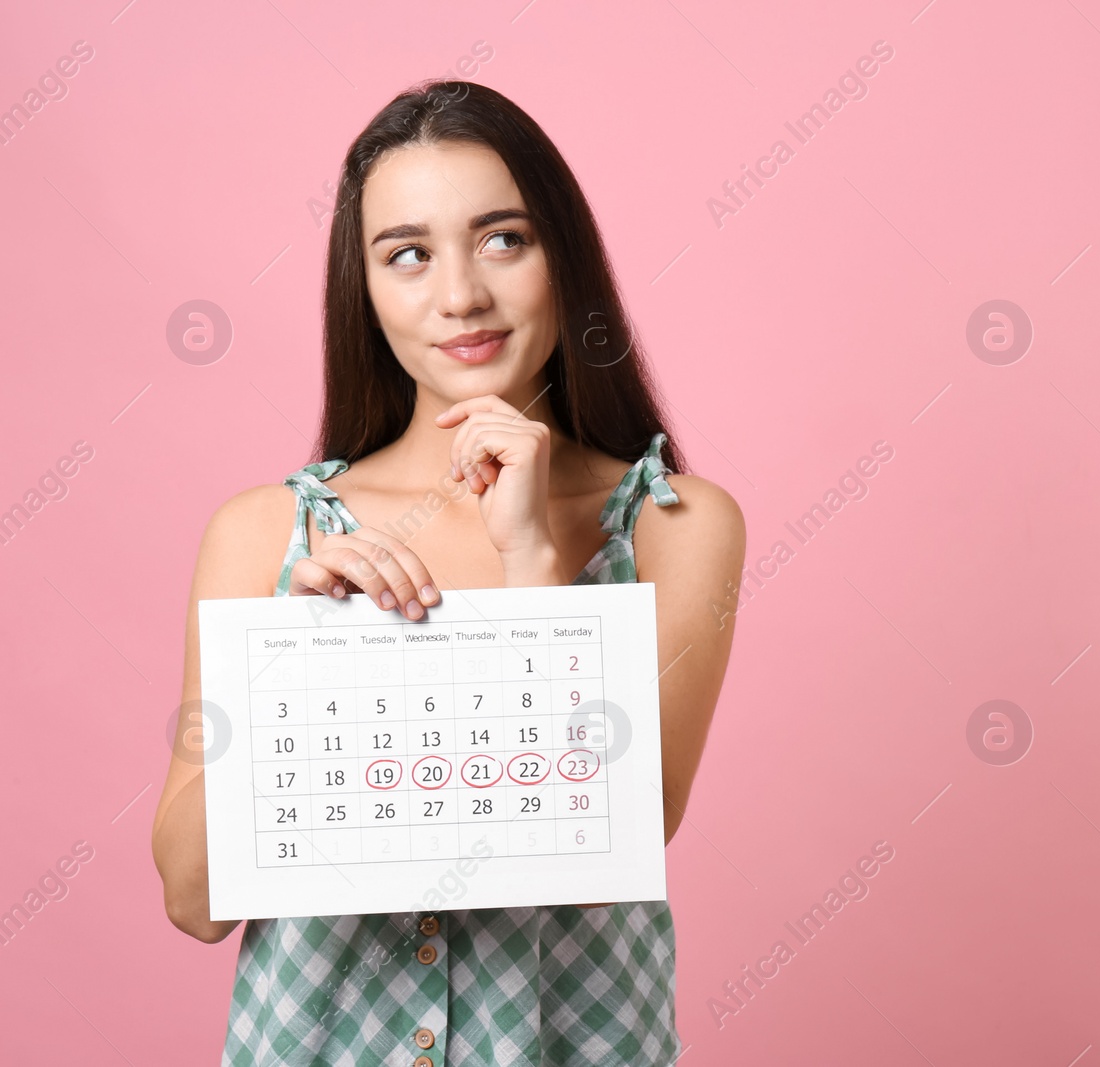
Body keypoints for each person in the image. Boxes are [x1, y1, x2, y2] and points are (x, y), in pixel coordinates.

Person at [150, 79, 746, 1066]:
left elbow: (606, 852)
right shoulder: (267, 532)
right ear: (367, 286)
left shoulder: (674, 526)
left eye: (504, 238)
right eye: (409, 255)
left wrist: (531, 562)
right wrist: (299, 664)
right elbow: (193, 900)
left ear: (565, 258)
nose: (461, 294)